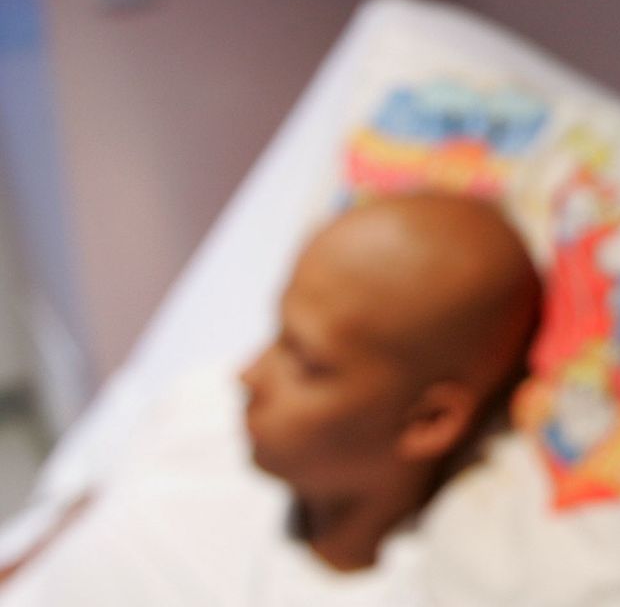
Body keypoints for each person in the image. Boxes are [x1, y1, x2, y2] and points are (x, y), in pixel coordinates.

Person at [0, 192, 542, 604]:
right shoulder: (209, 411)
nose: (249, 375)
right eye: (277, 333)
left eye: (305, 363)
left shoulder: (402, 590)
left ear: (428, 421)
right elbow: (77, 523)